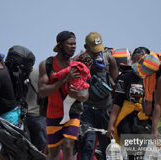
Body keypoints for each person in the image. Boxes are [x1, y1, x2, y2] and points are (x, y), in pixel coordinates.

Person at [38, 31, 89, 160]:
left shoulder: (78, 66)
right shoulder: (47, 64)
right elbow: (43, 91)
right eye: (70, 44)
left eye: (75, 44)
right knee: (53, 153)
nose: (73, 47)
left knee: (68, 146)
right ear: (60, 45)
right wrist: (64, 80)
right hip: (53, 114)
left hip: (73, 113)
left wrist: (76, 95)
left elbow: (85, 96)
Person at [107, 52, 160, 159]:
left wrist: (156, 127)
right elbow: (117, 102)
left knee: (142, 154)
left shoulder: (155, 79)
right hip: (127, 119)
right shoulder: (125, 78)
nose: (136, 63)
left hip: (146, 119)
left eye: (139, 60)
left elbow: (158, 104)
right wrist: (111, 123)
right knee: (132, 153)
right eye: (134, 60)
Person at [79, 32, 118, 160]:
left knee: (108, 146)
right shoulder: (79, 59)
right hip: (86, 109)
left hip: (105, 109)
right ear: (86, 46)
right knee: (88, 144)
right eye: (93, 50)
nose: (96, 53)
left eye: (98, 50)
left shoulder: (109, 58)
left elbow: (116, 84)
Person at [26, 67, 47, 152]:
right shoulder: (43, 74)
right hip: (38, 116)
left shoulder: (25, 73)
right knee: (41, 150)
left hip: (24, 116)